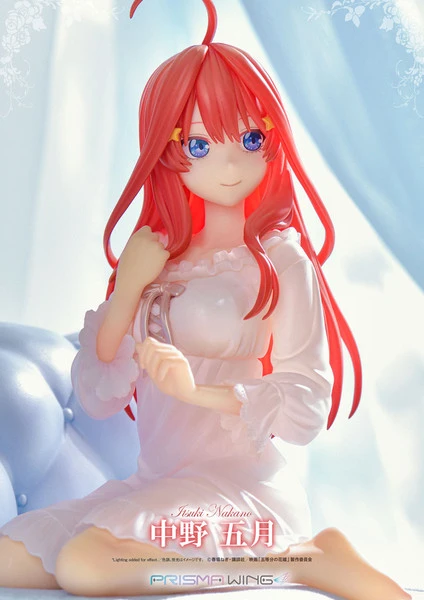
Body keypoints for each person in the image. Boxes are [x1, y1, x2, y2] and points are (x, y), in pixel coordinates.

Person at [0, 1, 411, 598]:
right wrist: (129, 288)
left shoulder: (281, 260)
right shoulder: (159, 256)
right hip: (157, 485)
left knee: (87, 566)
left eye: (249, 138)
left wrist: (196, 391)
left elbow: (306, 402)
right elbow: (97, 395)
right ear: (165, 150)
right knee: (7, 560)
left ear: (271, 140)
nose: (229, 162)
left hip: (241, 491)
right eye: (198, 144)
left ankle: (297, 560)